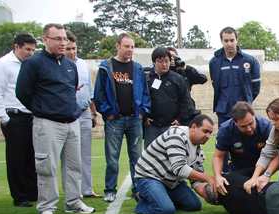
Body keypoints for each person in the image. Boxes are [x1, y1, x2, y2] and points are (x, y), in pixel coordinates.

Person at [16, 23, 95, 214]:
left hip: (72, 122)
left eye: (64, 39)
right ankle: (47, 207)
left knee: (74, 166)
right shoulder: (33, 63)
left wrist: (74, 112)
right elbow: (22, 92)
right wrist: (42, 109)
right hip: (47, 123)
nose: (63, 43)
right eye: (58, 39)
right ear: (45, 40)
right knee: (47, 166)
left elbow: (72, 90)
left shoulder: (70, 65)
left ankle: (74, 202)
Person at [93, 33, 151, 203]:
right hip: (114, 121)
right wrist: (107, 113)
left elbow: (145, 93)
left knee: (137, 158)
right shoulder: (106, 67)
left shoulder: (138, 68)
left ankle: (138, 190)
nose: (130, 50)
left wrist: (142, 112)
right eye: (127, 46)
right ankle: (110, 190)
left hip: (134, 120)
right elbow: (99, 94)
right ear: (118, 46)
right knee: (112, 158)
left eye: (132, 47)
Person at [133, 114, 214, 214]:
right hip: (149, 177)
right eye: (205, 131)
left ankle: (161, 196)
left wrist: (206, 193)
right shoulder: (177, 135)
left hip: (171, 182)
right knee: (166, 210)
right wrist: (209, 178)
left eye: (210, 133)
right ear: (193, 127)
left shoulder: (199, 150)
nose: (208, 136)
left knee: (194, 205)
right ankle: (142, 200)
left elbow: (195, 180)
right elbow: (179, 169)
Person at [0, 33, 38, 207]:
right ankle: (19, 196)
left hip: (31, 115)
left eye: (33, 50)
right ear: (16, 47)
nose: (30, 53)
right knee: (16, 158)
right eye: (27, 49)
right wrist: (4, 118)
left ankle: (31, 192)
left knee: (31, 156)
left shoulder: (31, 65)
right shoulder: (3, 64)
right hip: (14, 116)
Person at [65, 31, 99, 198]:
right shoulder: (59, 65)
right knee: (69, 156)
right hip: (66, 114)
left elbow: (89, 90)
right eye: (69, 49)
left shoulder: (83, 64)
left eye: (74, 48)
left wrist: (93, 113)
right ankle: (72, 192)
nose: (72, 52)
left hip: (84, 112)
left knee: (85, 154)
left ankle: (87, 189)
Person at [212, 101, 272, 194]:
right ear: (235, 123)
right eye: (243, 126)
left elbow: (277, 155)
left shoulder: (266, 127)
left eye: (251, 123)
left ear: (254, 116)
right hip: (239, 169)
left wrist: (265, 175)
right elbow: (218, 156)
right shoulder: (226, 130)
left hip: (262, 168)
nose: (249, 128)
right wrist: (218, 176)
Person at [209, 27, 261, 125]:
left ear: (237, 40)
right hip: (223, 111)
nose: (229, 44)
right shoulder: (214, 62)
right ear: (221, 41)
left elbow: (255, 88)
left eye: (232, 40)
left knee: (244, 139)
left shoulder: (250, 61)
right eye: (226, 41)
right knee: (224, 139)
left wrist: (246, 102)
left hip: (244, 111)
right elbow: (215, 85)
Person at [144, 47, 194, 146]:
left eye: (167, 61)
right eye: (160, 61)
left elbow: (186, 101)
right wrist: (144, 117)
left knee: (172, 155)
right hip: (152, 127)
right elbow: (141, 98)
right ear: (154, 62)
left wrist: (180, 119)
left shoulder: (178, 79)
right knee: (151, 158)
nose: (164, 64)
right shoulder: (147, 78)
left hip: (172, 126)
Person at [167, 46, 206, 120]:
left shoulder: (184, 72)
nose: (172, 59)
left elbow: (203, 79)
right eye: (169, 56)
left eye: (174, 56)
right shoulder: (162, 73)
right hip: (170, 113)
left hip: (186, 112)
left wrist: (186, 68)